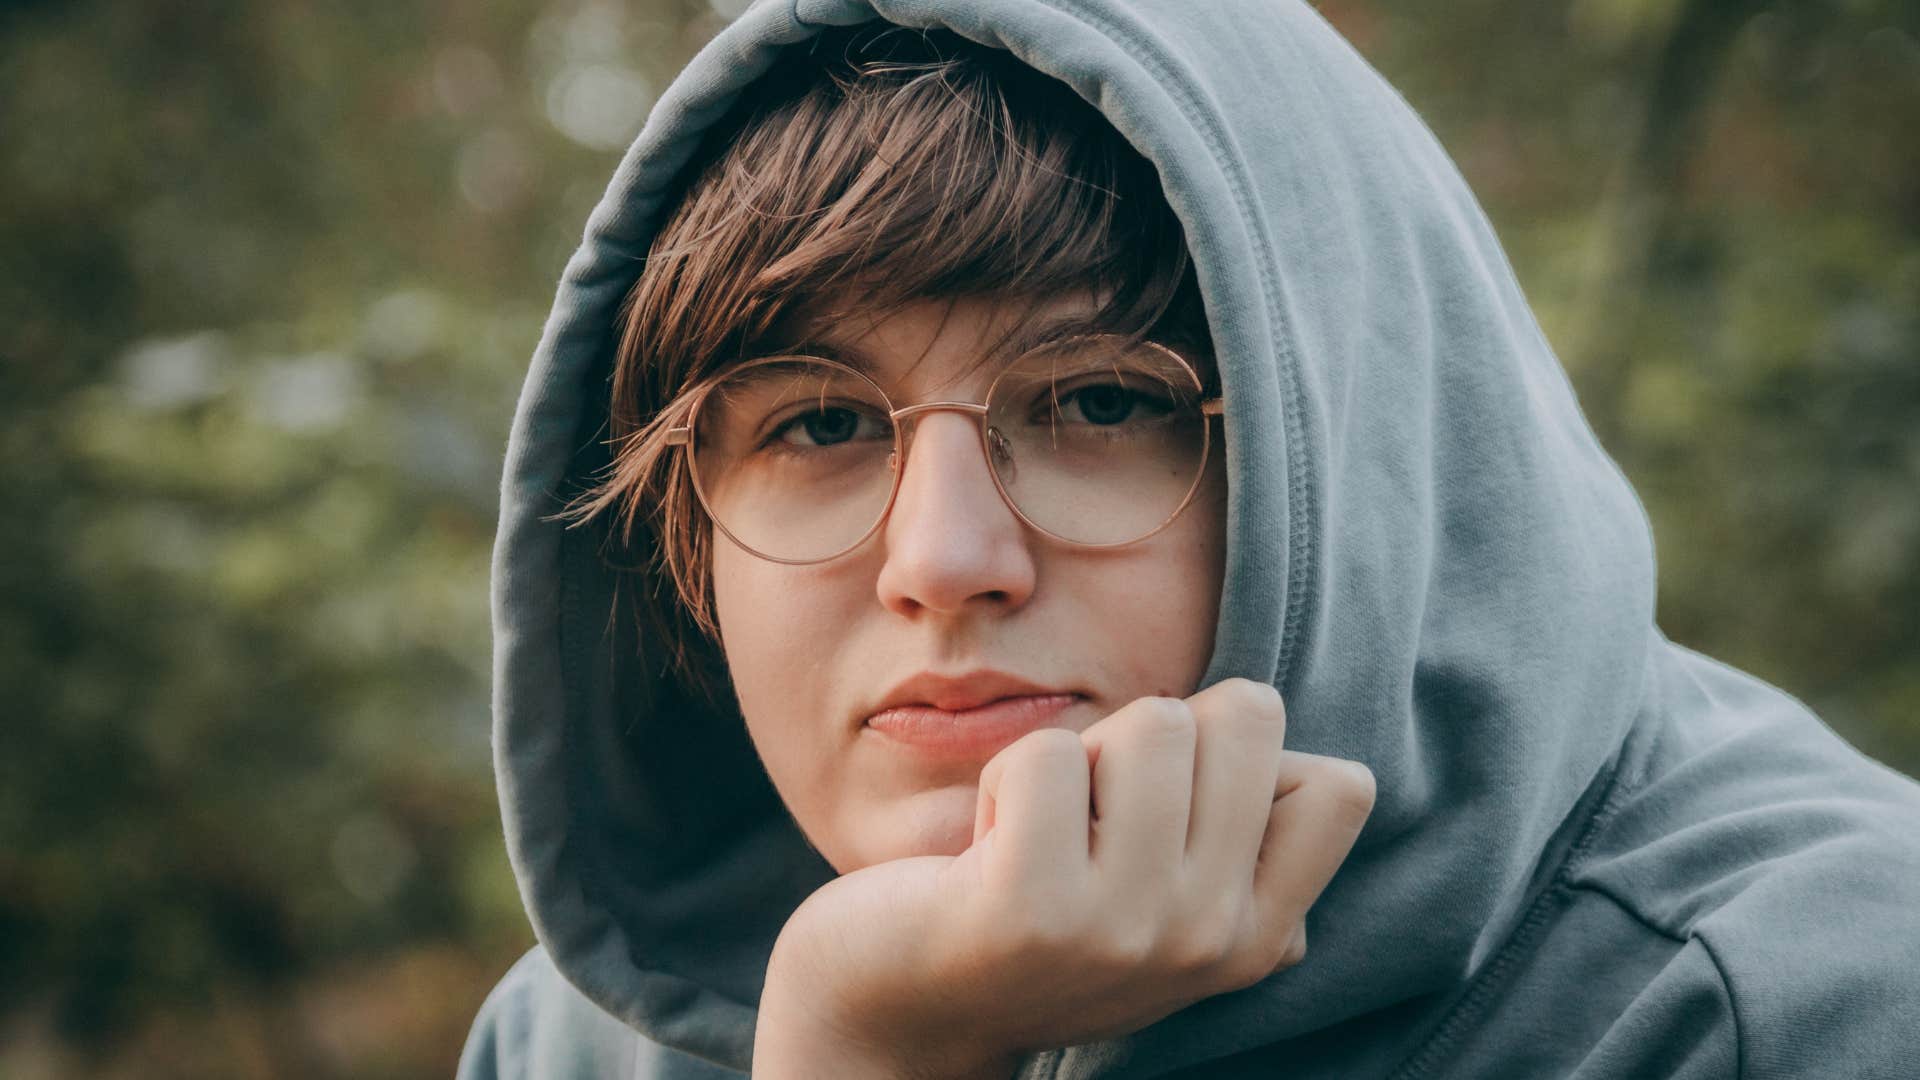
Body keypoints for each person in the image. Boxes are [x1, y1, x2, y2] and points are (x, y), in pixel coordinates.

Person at [460, 3, 1920, 1078]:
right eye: (820, 426)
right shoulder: (579, 1048)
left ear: (1353, 446)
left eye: (1101, 401)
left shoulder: (1799, 1011)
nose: (944, 560)